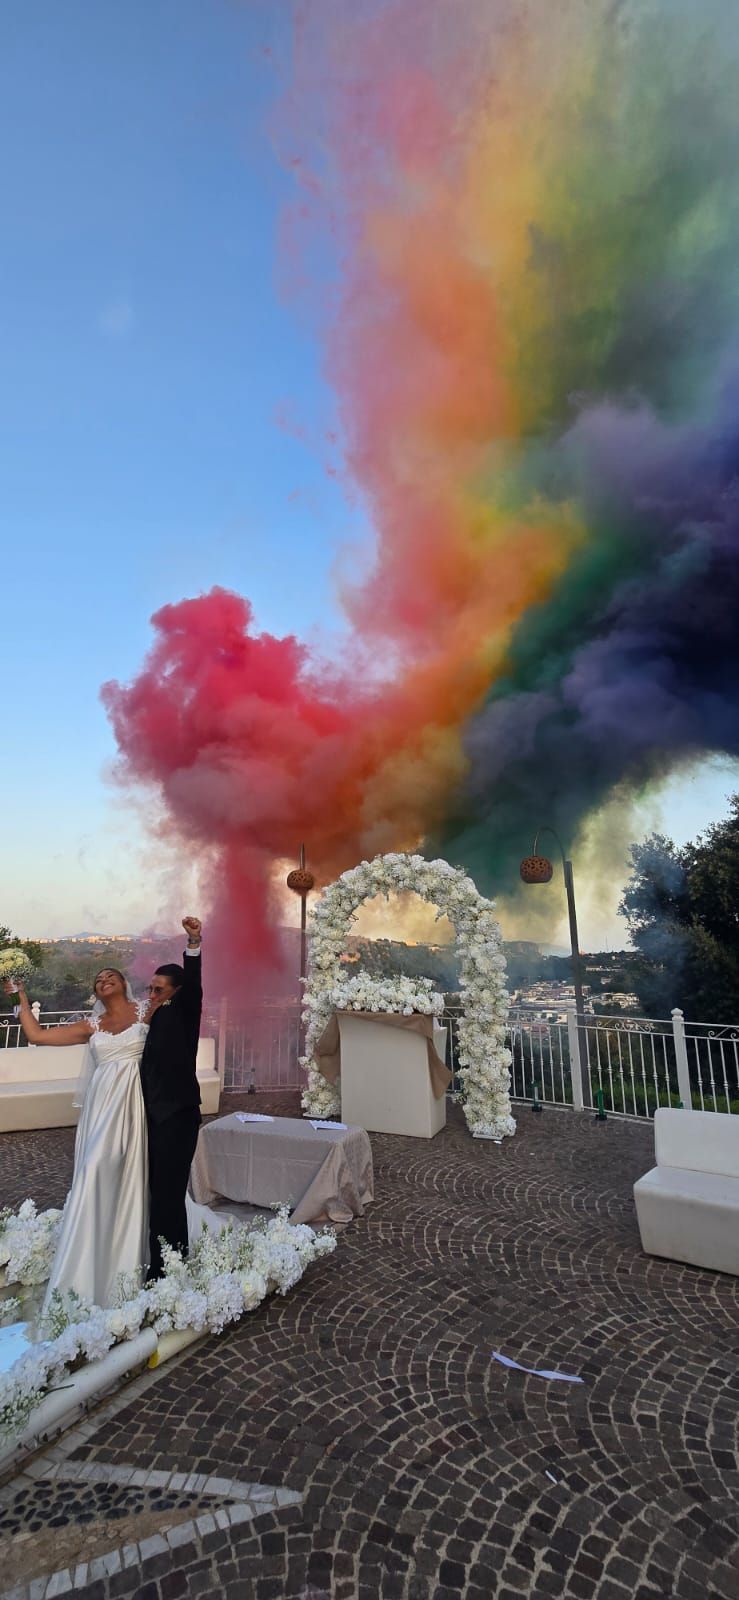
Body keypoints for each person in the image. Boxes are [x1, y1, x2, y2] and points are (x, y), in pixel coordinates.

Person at [5, 967, 149, 1310]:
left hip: (135, 1102)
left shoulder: (147, 1011)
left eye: (110, 975)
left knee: (125, 1172)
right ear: (96, 994)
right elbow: (37, 1035)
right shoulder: (91, 1026)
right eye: (97, 979)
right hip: (101, 1109)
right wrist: (19, 997)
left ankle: (124, 1252)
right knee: (93, 1167)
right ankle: (85, 1258)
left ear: (124, 983)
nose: (103, 980)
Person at [140, 916, 203, 1279]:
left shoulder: (184, 1008)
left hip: (177, 1115)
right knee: (159, 1194)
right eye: (149, 989)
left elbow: (193, 983)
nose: (152, 995)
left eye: (159, 990)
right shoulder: (148, 1016)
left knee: (168, 1193)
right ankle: (170, 1258)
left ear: (176, 991)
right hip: (148, 1117)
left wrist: (193, 944)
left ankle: (165, 1269)